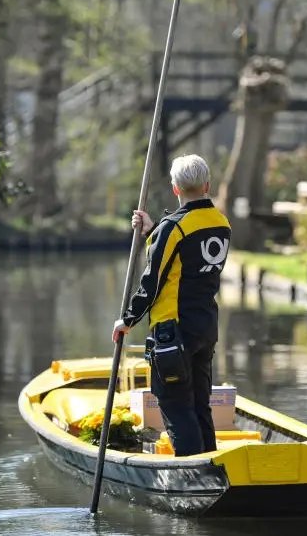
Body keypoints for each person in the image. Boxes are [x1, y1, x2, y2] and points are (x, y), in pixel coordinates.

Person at [110, 154, 232, 457]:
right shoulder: (221, 223)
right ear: (207, 185)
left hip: (173, 331)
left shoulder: (173, 228)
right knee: (200, 403)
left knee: (176, 404)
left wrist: (127, 319)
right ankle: (211, 465)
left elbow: (152, 283)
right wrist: (155, 231)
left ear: (175, 189)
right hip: (206, 326)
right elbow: (186, 262)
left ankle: (192, 473)